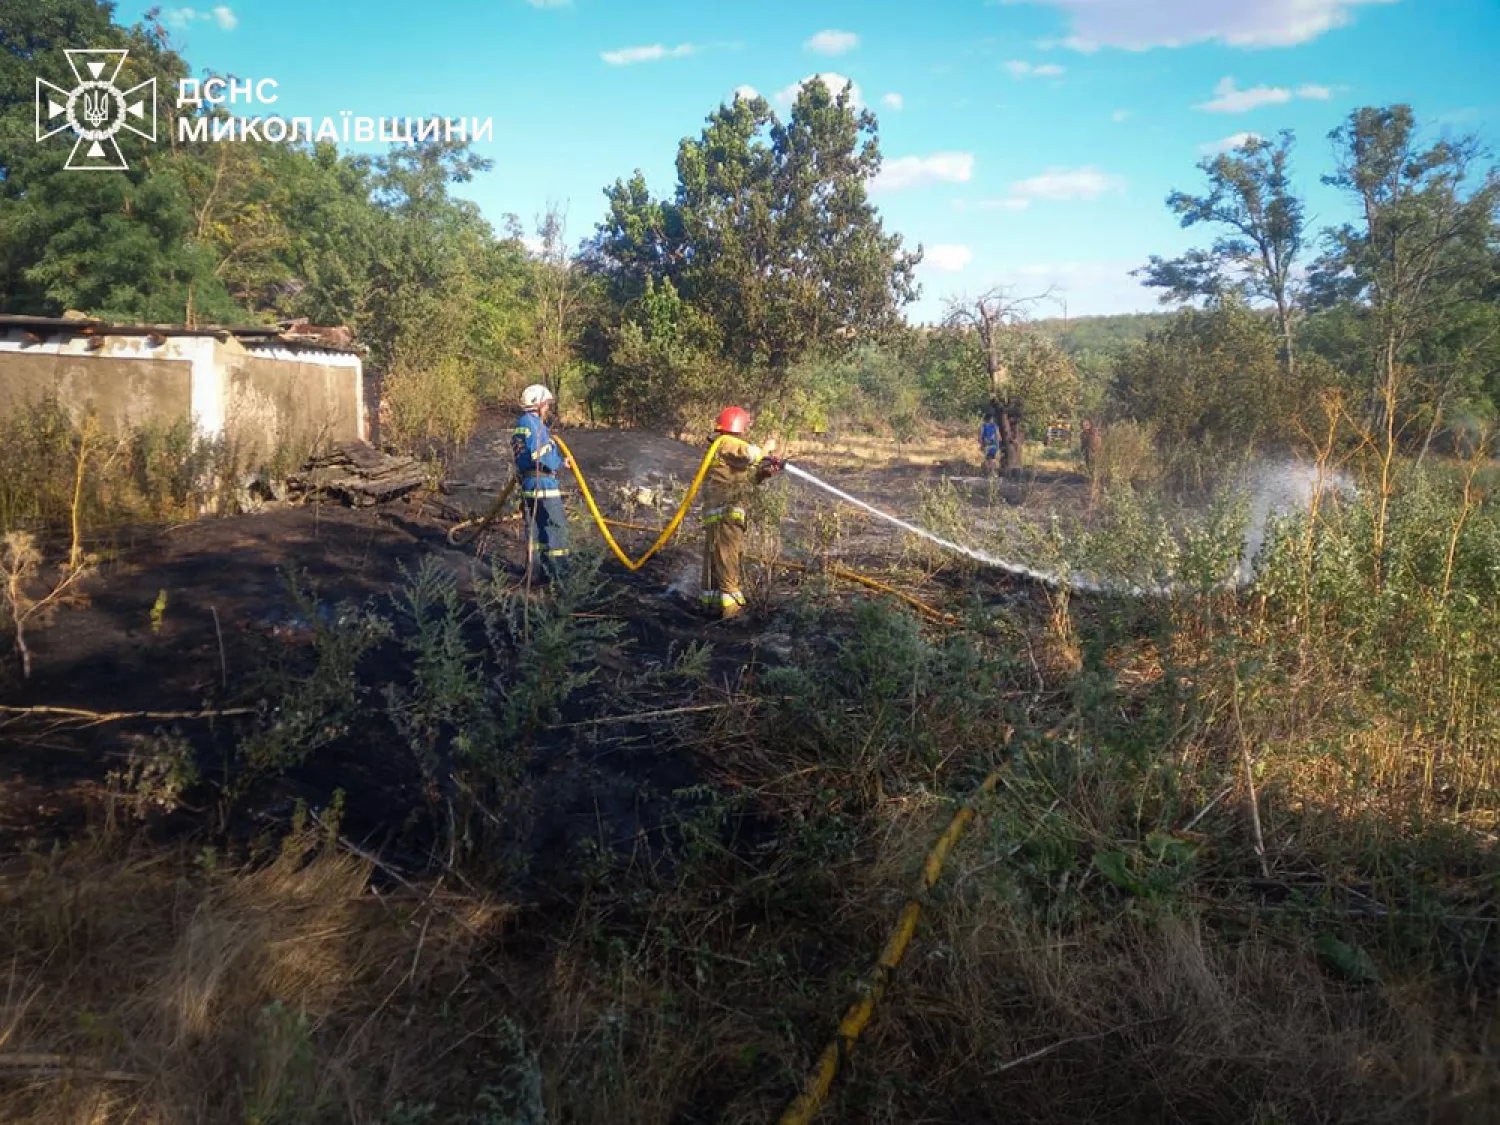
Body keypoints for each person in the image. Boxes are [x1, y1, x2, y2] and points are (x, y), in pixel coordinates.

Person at [700, 406, 782, 620]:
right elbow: (750, 454)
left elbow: (741, 481)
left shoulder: (722, 447)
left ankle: (712, 605)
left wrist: (763, 473)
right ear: (739, 426)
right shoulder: (727, 442)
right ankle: (732, 610)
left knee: (716, 558)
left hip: (720, 512)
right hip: (726, 512)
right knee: (728, 557)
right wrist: (767, 447)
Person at [510, 383, 570, 582]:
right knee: (555, 527)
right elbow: (540, 454)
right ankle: (561, 576)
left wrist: (560, 461)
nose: (548, 407)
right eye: (546, 403)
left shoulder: (521, 424)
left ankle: (536, 573)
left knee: (535, 530)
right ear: (538, 404)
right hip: (543, 484)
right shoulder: (534, 424)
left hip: (528, 483)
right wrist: (556, 462)